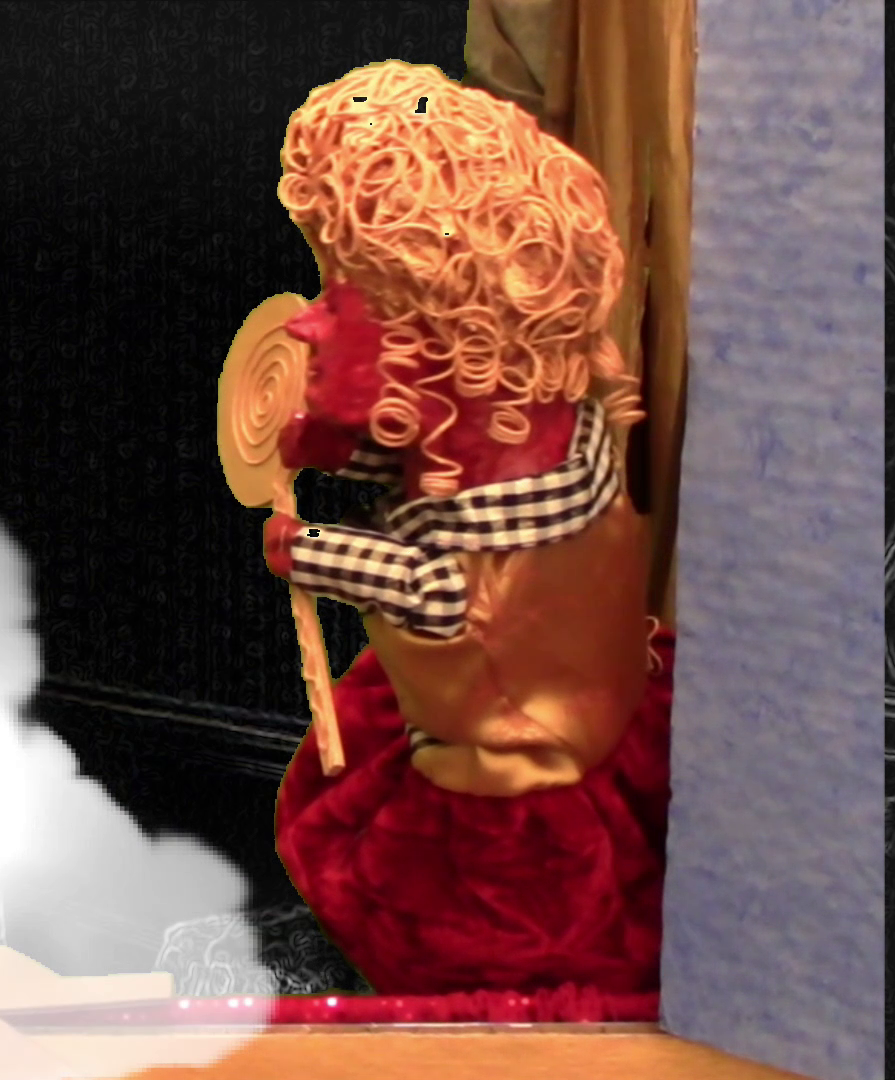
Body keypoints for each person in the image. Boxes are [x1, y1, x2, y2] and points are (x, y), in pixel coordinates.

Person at [254, 61, 674, 1002]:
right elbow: (428, 474)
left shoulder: (497, 517)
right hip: (570, 691)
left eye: (338, 294)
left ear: (442, 329)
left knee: (451, 939)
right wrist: (351, 447)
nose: (308, 324)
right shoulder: (544, 419)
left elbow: (441, 589)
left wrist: (309, 551)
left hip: (514, 816)